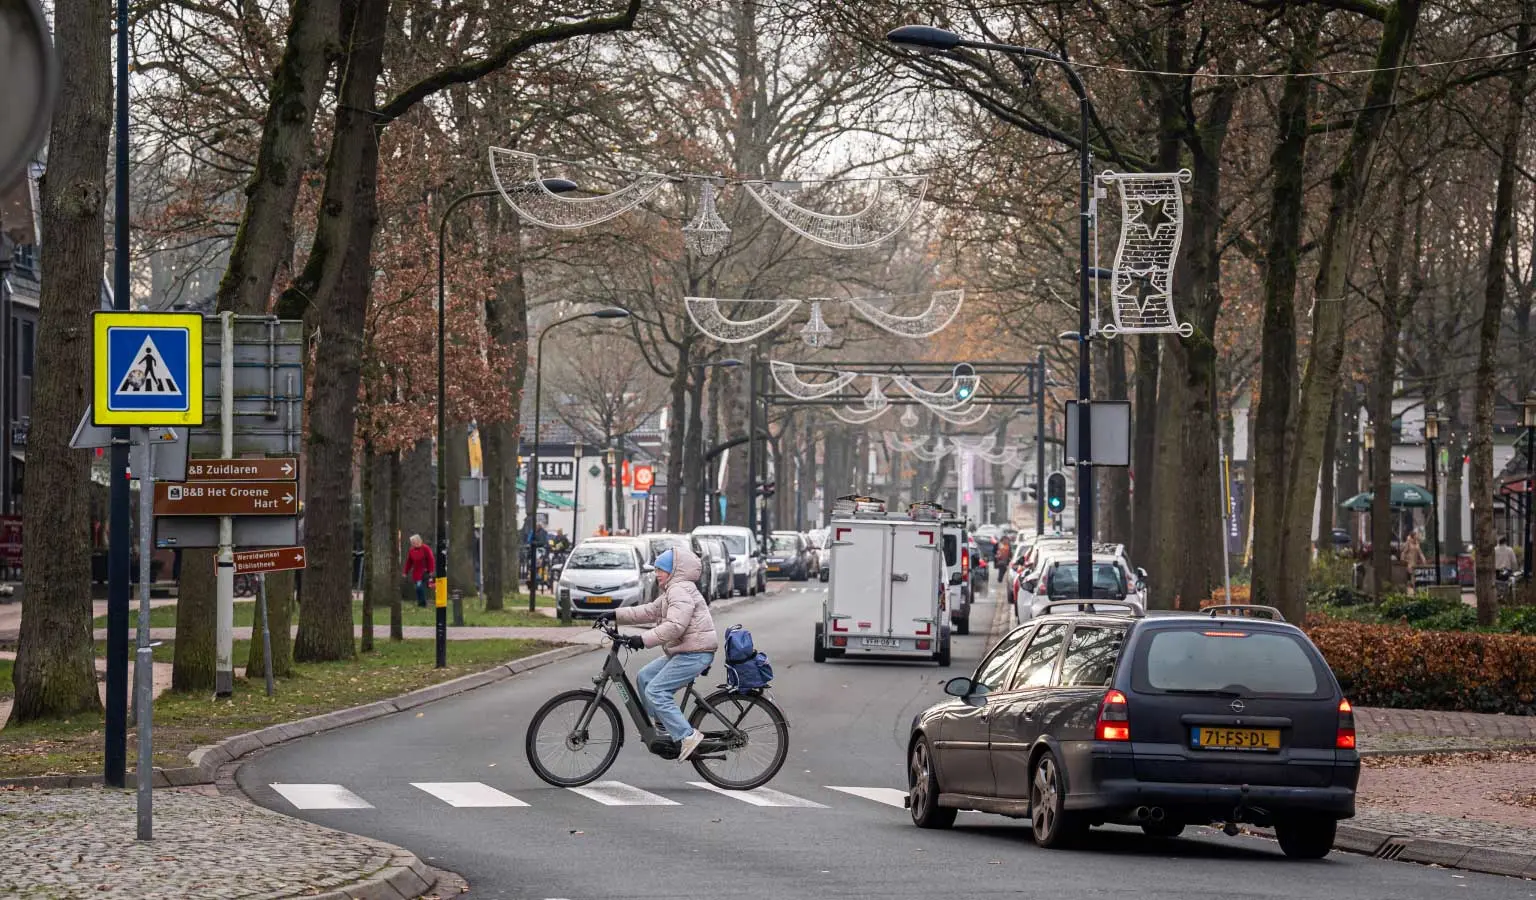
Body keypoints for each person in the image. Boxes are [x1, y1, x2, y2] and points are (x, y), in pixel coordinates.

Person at [605, 546, 718, 761]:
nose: (656, 573)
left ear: (673, 570)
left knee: (656, 691)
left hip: (695, 653)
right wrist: (614, 614)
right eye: (656, 569)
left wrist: (643, 639)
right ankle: (665, 728)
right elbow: (649, 611)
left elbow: (675, 626)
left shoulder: (679, 591)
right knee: (645, 677)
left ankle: (687, 736)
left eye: (660, 569)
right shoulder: (672, 591)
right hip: (687, 651)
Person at [402, 534, 435, 607]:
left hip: (424, 572)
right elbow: (409, 562)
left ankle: (423, 603)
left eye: (414, 542)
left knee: (420, 587)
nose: (412, 543)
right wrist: (405, 572)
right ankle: (420, 603)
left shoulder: (425, 548)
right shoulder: (411, 550)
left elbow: (431, 559)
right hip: (416, 573)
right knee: (417, 588)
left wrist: (431, 570)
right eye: (412, 542)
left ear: (419, 541)